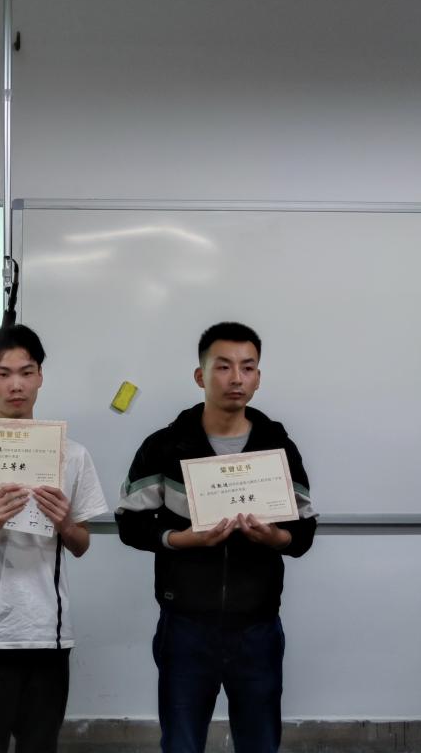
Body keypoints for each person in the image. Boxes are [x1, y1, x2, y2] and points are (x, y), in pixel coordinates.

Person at [115, 322, 318, 753]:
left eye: (248, 367)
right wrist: (181, 539)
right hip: (184, 625)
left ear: (258, 378)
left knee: (259, 742)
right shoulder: (165, 446)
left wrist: (275, 537)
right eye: (223, 366)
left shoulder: (278, 448)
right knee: (182, 742)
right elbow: (130, 523)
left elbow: (303, 533)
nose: (236, 378)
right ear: (200, 375)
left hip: (258, 627)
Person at [0, 324, 109, 753]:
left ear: (40, 376)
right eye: (3, 373)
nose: (16, 385)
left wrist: (65, 523)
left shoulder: (72, 455)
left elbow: (81, 544)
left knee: (39, 745)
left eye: (26, 373)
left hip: (46, 632)